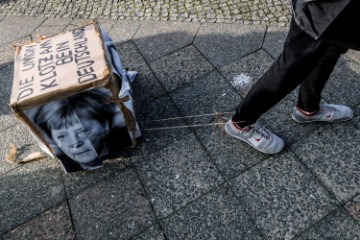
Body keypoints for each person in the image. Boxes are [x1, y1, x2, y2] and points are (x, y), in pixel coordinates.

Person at [225, 0, 359, 154]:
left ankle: (308, 109)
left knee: (331, 49)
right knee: (292, 66)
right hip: (323, 8)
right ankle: (240, 123)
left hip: (347, 13)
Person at [33, 88, 132, 172]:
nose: (75, 143)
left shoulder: (126, 138)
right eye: (62, 136)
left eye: (83, 131)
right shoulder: (65, 160)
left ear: (104, 125)